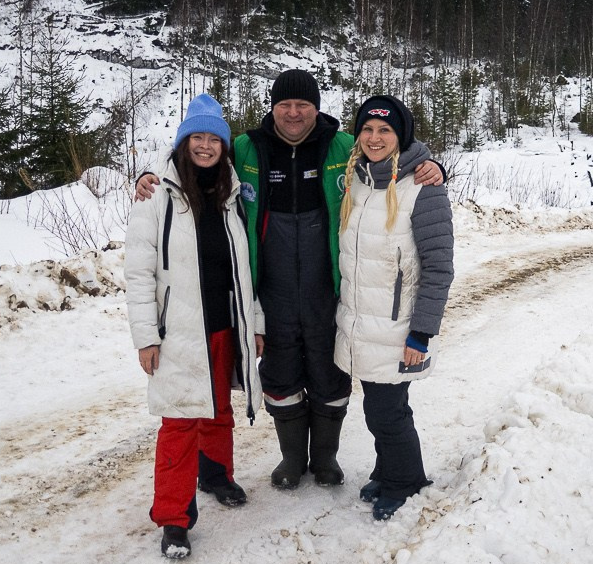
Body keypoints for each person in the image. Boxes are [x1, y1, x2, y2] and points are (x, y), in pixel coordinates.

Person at [135, 70, 443, 493]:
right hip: (271, 284)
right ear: (272, 107)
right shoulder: (246, 147)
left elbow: (390, 148)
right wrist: (149, 175)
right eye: (285, 104)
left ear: (316, 107)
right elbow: (195, 158)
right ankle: (292, 458)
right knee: (280, 371)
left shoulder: (341, 145)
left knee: (327, 369)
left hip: (327, 284)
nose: (294, 113)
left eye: (303, 104)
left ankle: (327, 459)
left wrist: (431, 163)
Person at [124, 94, 265, 559]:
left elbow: (247, 269)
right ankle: (174, 519)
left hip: (225, 322)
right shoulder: (155, 196)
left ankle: (216, 473)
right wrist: (146, 336)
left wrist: (255, 322)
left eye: (214, 139)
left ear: (224, 147)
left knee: (219, 405)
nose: (205, 146)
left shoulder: (231, 194)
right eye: (197, 138)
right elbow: (139, 272)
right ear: (184, 142)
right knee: (180, 421)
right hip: (178, 329)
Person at [335, 95, 454, 521]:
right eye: (367, 129)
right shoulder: (359, 181)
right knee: (378, 405)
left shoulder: (424, 187)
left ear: (401, 135)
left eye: (385, 130)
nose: (374, 137)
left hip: (398, 326)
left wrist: (421, 332)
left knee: (388, 410)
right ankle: (388, 471)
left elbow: (439, 267)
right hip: (364, 324)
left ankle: (407, 480)